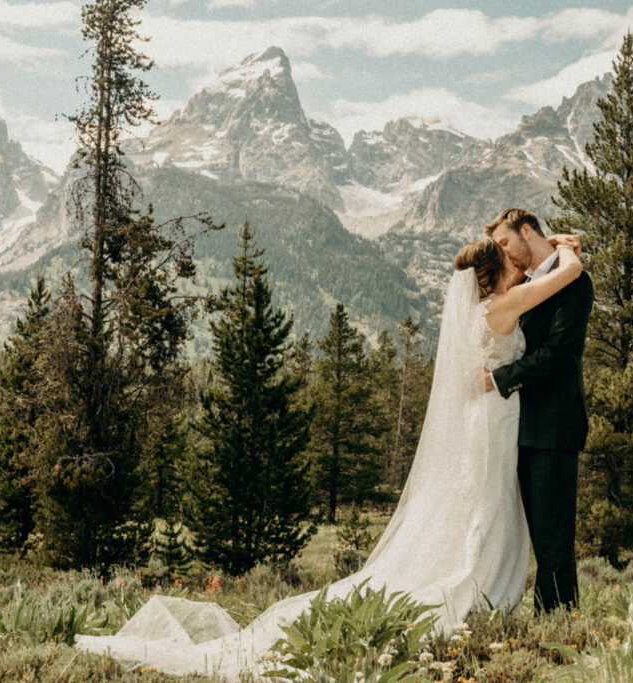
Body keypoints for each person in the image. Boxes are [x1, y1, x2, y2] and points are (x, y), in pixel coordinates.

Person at [75, 229, 584, 680]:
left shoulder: (490, 304)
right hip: (493, 423)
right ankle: (479, 591)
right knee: (484, 511)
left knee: (484, 509)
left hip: (493, 421)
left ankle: (498, 593)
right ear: (494, 274)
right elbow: (569, 275)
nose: (517, 263)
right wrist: (564, 247)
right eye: (508, 258)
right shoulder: (504, 306)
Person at [484, 208, 594, 612]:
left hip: (553, 427)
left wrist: (498, 378)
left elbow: (560, 354)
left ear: (527, 231)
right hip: (514, 428)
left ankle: (559, 621)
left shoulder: (574, 282)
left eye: (505, 243)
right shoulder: (527, 283)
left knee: (552, 538)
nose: (503, 254)